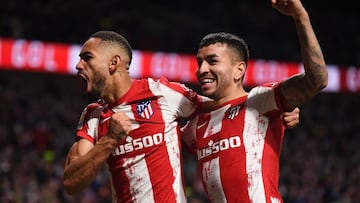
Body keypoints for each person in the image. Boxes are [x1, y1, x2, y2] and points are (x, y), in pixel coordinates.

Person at [62, 30, 300, 202]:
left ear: (114, 62)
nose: (78, 65)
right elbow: (72, 184)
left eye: (87, 57)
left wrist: (277, 110)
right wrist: (109, 140)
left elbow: (227, 104)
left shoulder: (163, 92)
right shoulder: (93, 116)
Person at [181, 0, 327, 202]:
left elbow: (316, 81)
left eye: (212, 61)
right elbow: (159, 151)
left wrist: (301, 17)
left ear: (239, 70)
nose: (202, 69)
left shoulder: (260, 101)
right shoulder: (197, 123)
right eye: (200, 62)